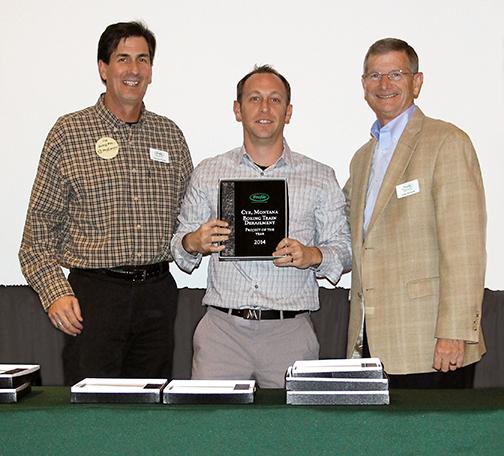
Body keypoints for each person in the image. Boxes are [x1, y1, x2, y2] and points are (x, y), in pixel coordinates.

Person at [19, 21, 193, 385]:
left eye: (142, 59)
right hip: (94, 298)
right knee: (92, 412)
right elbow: (36, 238)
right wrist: (55, 294)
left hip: (157, 296)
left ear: (151, 70)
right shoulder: (69, 133)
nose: (133, 70)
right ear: (103, 68)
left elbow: (189, 220)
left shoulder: (170, 136)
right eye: (123, 59)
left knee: (151, 412)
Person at [171, 65, 351, 388]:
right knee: (211, 434)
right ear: (238, 110)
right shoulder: (208, 172)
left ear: (289, 111)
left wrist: (311, 255)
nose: (265, 109)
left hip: (290, 333)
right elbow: (180, 251)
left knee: (290, 436)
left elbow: (344, 250)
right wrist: (193, 243)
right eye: (254, 99)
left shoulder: (320, 177)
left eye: (275, 100)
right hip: (221, 333)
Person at [344, 38, 486, 388]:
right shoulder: (363, 158)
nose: (384, 84)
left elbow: (464, 246)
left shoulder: (447, 142)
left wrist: (454, 333)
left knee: (438, 444)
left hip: (431, 344)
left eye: (396, 73)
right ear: (364, 86)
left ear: (417, 82)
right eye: (374, 75)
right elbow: (344, 227)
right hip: (372, 344)